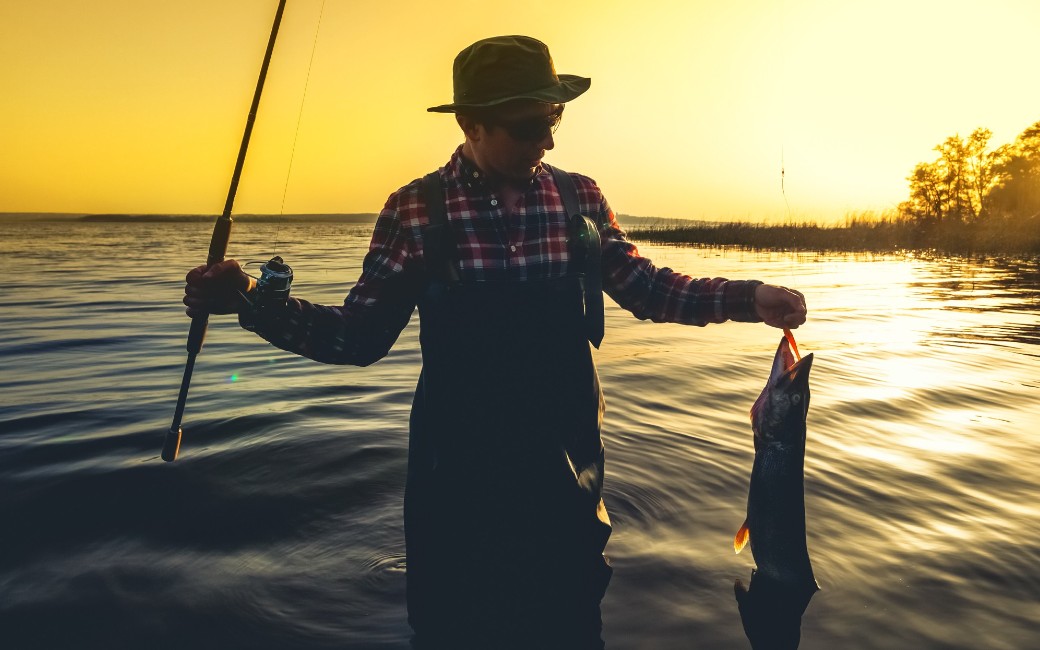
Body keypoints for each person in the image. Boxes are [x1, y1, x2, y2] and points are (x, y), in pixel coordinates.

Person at [184, 35, 806, 650]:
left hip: (570, 472)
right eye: (531, 124)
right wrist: (249, 300)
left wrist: (747, 298)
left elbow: (647, 289)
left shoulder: (579, 198)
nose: (550, 139)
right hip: (456, 480)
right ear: (472, 124)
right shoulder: (416, 210)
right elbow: (356, 338)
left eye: (555, 117)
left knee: (572, 622)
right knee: (453, 626)